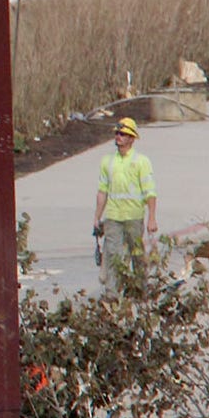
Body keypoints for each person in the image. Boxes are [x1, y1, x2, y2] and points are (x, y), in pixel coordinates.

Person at [94, 115, 158, 290]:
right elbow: (102, 191)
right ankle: (112, 295)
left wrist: (152, 218)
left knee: (137, 256)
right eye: (117, 133)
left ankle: (140, 290)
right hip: (113, 217)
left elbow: (150, 192)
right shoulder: (107, 161)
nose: (118, 137)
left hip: (134, 217)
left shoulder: (141, 162)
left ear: (131, 138)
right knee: (113, 255)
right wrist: (97, 217)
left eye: (122, 134)